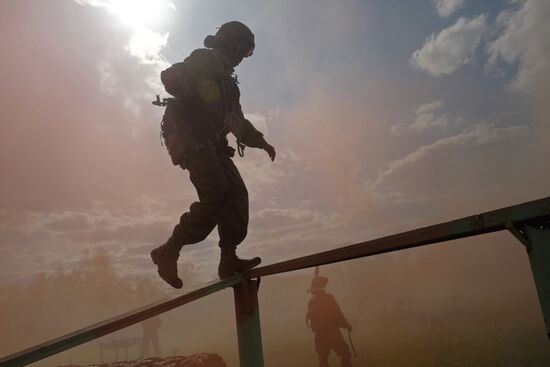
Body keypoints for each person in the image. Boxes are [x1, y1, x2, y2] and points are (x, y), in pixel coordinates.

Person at [150, 21, 276, 289]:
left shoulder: (230, 86)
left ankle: (228, 259)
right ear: (227, 44)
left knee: (236, 195)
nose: (242, 56)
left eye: (247, 52)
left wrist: (261, 142)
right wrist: (176, 79)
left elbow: (237, 121)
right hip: (190, 138)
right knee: (216, 193)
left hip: (212, 144)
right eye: (240, 48)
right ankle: (168, 250)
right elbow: (180, 76)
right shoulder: (206, 60)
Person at [306, 274, 353, 367]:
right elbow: (337, 314)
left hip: (319, 335)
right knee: (345, 353)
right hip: (332, 333)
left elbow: (312, 318)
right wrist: (347, 325)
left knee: (322, 356)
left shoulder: (311, 301)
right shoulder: (328, 298)